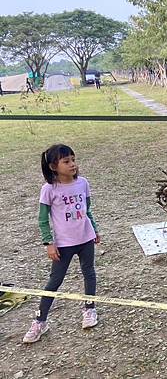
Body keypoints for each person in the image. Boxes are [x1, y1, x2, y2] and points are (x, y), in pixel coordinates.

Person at [22, 144, 101, 343]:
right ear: (53, 166)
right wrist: (49, 243)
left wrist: (94, 229)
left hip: (85, 239)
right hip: (63, 244)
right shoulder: (48, 189)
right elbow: (42, 219)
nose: (72, 164)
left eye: (73, 160)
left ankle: (89, 309)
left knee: (89, 273)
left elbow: (87, 210)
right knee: (54, 282)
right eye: (66, 161)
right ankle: (40, 321)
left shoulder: (83, 183)